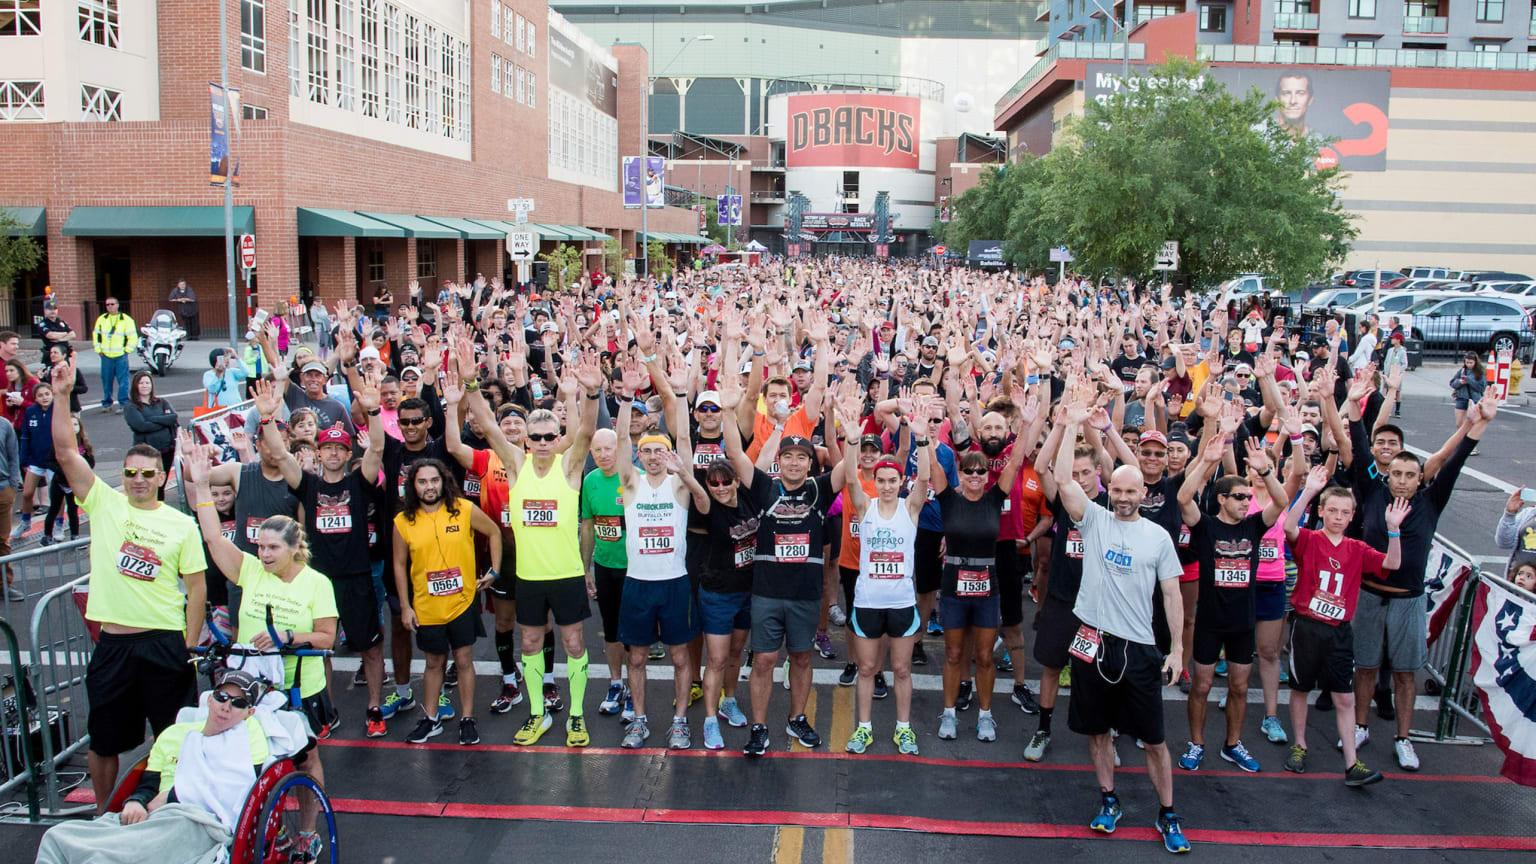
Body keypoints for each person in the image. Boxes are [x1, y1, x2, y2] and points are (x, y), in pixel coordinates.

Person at [48, 356, 208, 813]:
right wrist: (61, 397)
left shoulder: (181, 525)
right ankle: (103, 811)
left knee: (175, 736)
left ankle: (169, 809)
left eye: (147, 474)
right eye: (131, 473)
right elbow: (65, 452)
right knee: (104, 741)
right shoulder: (104, 503)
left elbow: (196, 588)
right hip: (113, 647)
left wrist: (190, 645)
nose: (138, 480)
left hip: (164, 645)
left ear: (161, 478)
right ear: (123, 475)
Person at [1053, 387, 1190, 854]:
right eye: (1119, 490)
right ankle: (1109, 800)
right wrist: (1071, 422)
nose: (1125, 497)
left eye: (1133, 491)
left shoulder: (1157, 537)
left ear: (1143, 492)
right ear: (1108, 490)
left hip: (1139, 650)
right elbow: (1062, 479)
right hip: (1093, 642)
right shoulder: (1092, 519)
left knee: (1154, 741)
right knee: (1097, 734)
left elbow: (1172, 594)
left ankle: (1167, 813)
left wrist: (1176, 649)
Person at [185, 438, 335, 859]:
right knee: (254, 759)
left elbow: (327, 637)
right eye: (260, 547)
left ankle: (307, 830)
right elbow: (214, 539)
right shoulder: (250, 570)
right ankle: (266, 824)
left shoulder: (316, 584)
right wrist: (200, 486)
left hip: (297, 687)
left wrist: (290, 638)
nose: (263, 554)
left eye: (272, 548)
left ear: (293, 548)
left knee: (304, 760)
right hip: (254, 688)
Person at [465, 342, 602, 748]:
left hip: (567, 575)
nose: (543, 443)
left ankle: (575, 715)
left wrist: (591, 393)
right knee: (529, 642)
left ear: (559, 437)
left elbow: (589, 431)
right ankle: (537, 714)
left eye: (549, 436)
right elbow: (488, 424)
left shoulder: (570, 467)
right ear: (526, 438)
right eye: (536, 437)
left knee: (574, 642)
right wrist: (470, 382)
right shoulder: (516, 465)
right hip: (528, 576)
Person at [33, 669, 306, 864]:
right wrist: (136, 801)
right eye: (222, 698)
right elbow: (150, 781)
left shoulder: (247, 738)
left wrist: (174, 795)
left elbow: (236, 787)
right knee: (58, 837)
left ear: (249, 713)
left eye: (239, 703)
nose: (227, 707)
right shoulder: (177, 734)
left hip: (195, 820)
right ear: (210, 699)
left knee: (100, 857)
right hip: (151, 816)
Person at [1282, 466, 1407, 786]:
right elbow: (1290, 526)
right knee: (1300, 688)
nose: (1338, 517)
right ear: (1321, 512)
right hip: (1307, 625)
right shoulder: (1310, 539)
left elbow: (1392, 564)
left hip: (1339, 629)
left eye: (1345, 512)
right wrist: (1309, 491)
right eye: (1332, 510)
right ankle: (1299, 744)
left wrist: (1394, 530)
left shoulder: (1356, 548)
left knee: (1344, 697)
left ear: (1353, 516)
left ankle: (1352, 763)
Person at [1175, 429, 1289, 774]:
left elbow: (1281, 502)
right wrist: (1206, 461)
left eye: (1247, 496)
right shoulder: (1206, 527)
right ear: (1222, 499)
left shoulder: (1255, 526)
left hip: (1243, 623)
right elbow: (1183, 498)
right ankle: (1196, 743)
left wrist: (1265, 471)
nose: (1245, 501)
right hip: (1210, 621)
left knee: (1239, 687)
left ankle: (1232, 744)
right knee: (1202, 687)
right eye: (1238, 496)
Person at [839, 390, 931, 756]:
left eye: (894, 480)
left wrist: (921, 438)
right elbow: (849, 477)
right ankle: (864, 728)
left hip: (902, 602)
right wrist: (850, 439)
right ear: (875, 482)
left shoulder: (911, 508)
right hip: (868, 602)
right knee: (866, 668)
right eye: (884, 480)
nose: (889, 485)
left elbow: (923, 480)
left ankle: (904, 729)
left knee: (902, 670)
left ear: (900, 482)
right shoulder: (866, 506)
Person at [614, 398, 708, 750]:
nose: (654, 456)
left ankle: (680, 722)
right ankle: (639, 720)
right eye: (648, 451)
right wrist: (625, 401)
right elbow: (623, 439)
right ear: (641, 455)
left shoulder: (679, 485)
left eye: (660, 451)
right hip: (638, 585)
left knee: (680, 657)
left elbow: (684, 436)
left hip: (674, 584)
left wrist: (681, 397)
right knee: (636, 657)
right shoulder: (631, 483)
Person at [393, 458, 502, 746]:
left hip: (462, 603)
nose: (429, 486)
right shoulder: (403, 522)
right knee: (433, 663)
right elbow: (399, 565)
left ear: (443, 481)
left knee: (464, 661)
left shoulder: (464, 509)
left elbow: (493, 531)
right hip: (427, 607)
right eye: (422, 481)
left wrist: (495, 570)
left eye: (434, 480)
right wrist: (405, 606)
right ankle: (431, 719)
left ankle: (467, 719)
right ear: (413, 486)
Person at [124, 372, 180, 501]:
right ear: (136, 385)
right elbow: (141, 426)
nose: (145, 386)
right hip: (146, 453)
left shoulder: (161, 402)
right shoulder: (131, 406)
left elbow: (172, 418)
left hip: (166, 450)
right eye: (141, 383)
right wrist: (163, 421)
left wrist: (151, 419)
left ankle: (160, 506)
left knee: (161, 484)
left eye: (147, 383)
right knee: (148, 484)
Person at [92, 297, 137, 413]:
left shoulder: (126, 320)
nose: (110, 307)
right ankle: (107, 403)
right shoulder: (102, 319)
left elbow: (133, 337)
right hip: (106, 356)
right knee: (106, 380)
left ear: (117, 305)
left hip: (120, 356)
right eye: (107, 305)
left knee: (123, 381)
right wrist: (98, 349)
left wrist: (127, 350)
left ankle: (124, 404)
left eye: (112, 304)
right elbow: (96, 336)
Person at [0, 414, 17, 601]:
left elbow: (13, 457)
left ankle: (4, 585)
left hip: (3, 488)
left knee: (2, 541)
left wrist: (12, 485)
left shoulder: (4, 425)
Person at [1449, 351, 1485, 429]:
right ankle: (1461, 439)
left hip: (1474, 399)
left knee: (1472, 423)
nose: (1468, 365)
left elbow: (1481, 388)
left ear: (1475, 362)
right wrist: (1460, 382)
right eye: (1467, 362)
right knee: (1459, 424)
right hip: (1462, 398)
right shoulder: (1462, 370)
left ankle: (1468, 438)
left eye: (1471, 363)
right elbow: (1452, 383)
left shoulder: (1480, 372)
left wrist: (1469, 380)